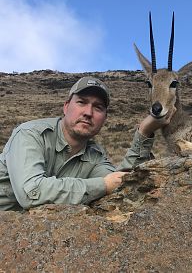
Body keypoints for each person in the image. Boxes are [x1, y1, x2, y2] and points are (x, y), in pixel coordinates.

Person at [0, 76, 171, 211]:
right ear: (66, 107)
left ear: (104, 118)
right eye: (81, 102)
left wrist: (144, 131)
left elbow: (122, 184)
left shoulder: (95, 156)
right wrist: (101, 186)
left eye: (98, 107)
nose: (88, 113)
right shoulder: (30, 134)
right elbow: (31, 192)